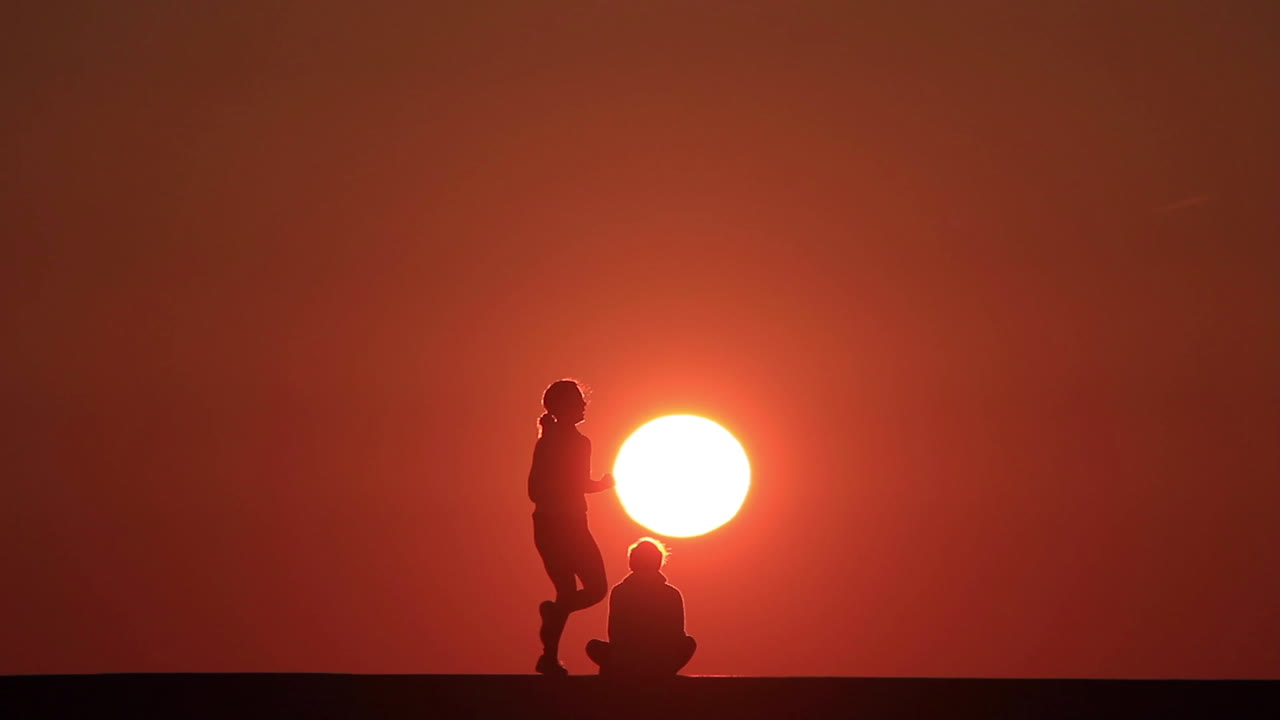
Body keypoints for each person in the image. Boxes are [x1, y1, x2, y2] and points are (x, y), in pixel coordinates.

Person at [529, 379, 615, 676]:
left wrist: (597, 486)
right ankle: (549, 654)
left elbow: (576, 483)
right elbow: (535, 488)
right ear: (563, 406)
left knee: (578, 591)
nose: (583, 404)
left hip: (566, 523)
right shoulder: (557, 442)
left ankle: (549, 651)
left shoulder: (576, 442)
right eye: (577, 400)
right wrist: (600, 485)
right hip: (559, 525)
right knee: (583, 589)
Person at [586, 538, 697, 677]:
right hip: (657, 658)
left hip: (632, 658)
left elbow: (615, 632)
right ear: (658, 563)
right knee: (688, 643)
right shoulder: (671, 593)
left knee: (594, 647)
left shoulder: (621, 591)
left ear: (632, 563)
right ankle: (660, 672)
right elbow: (677, 633)